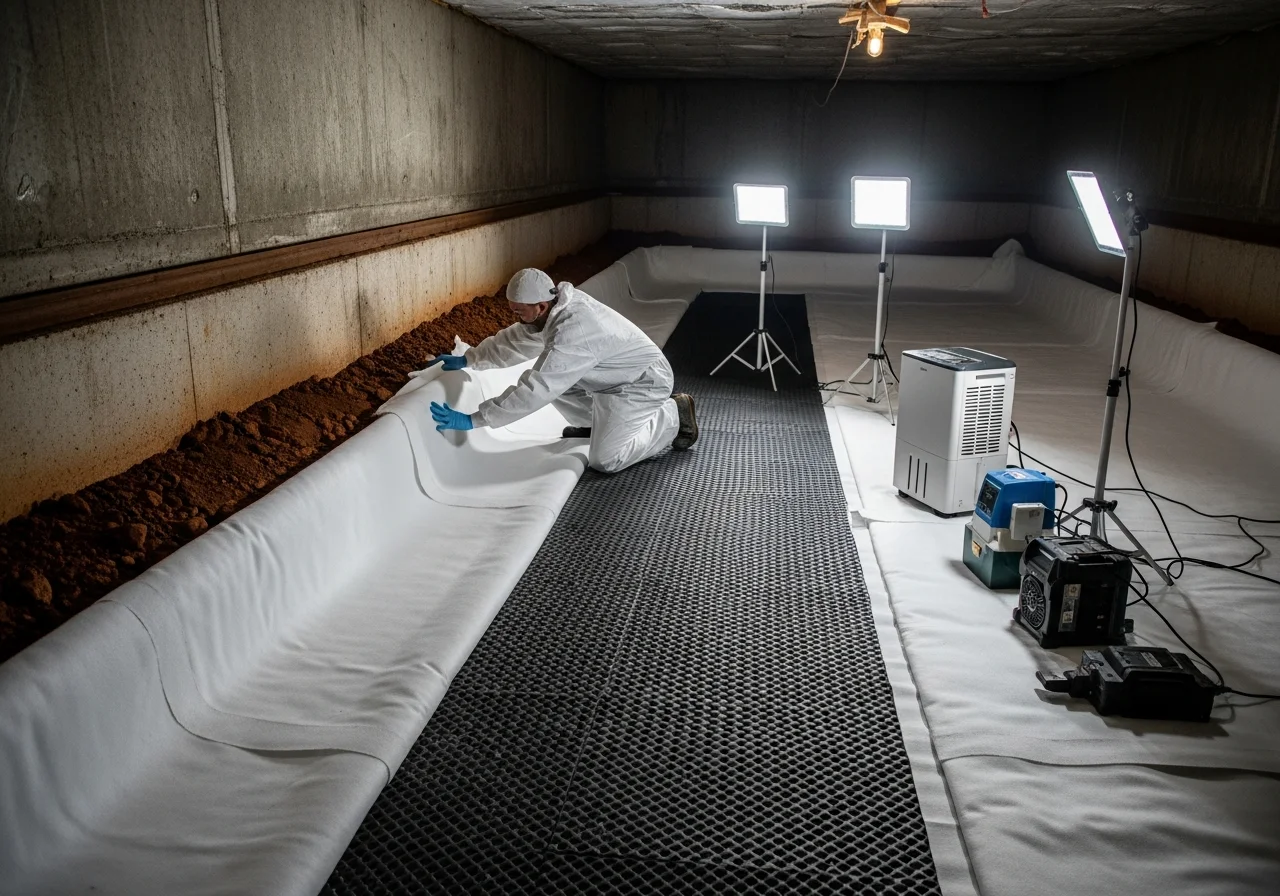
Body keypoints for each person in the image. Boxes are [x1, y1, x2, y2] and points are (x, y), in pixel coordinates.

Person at [427, 268, 698, 473]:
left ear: (541, 306)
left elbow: (538, 387)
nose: (516, 318)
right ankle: (598, 425)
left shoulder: (575, 330)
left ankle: (673, 415)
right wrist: (470, 358)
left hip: (642, 382)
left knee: (605, 459)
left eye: (519, 312)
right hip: (611, 379)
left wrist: (475, 419)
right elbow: (518, 339)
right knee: (557, 383)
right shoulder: (554, 311)